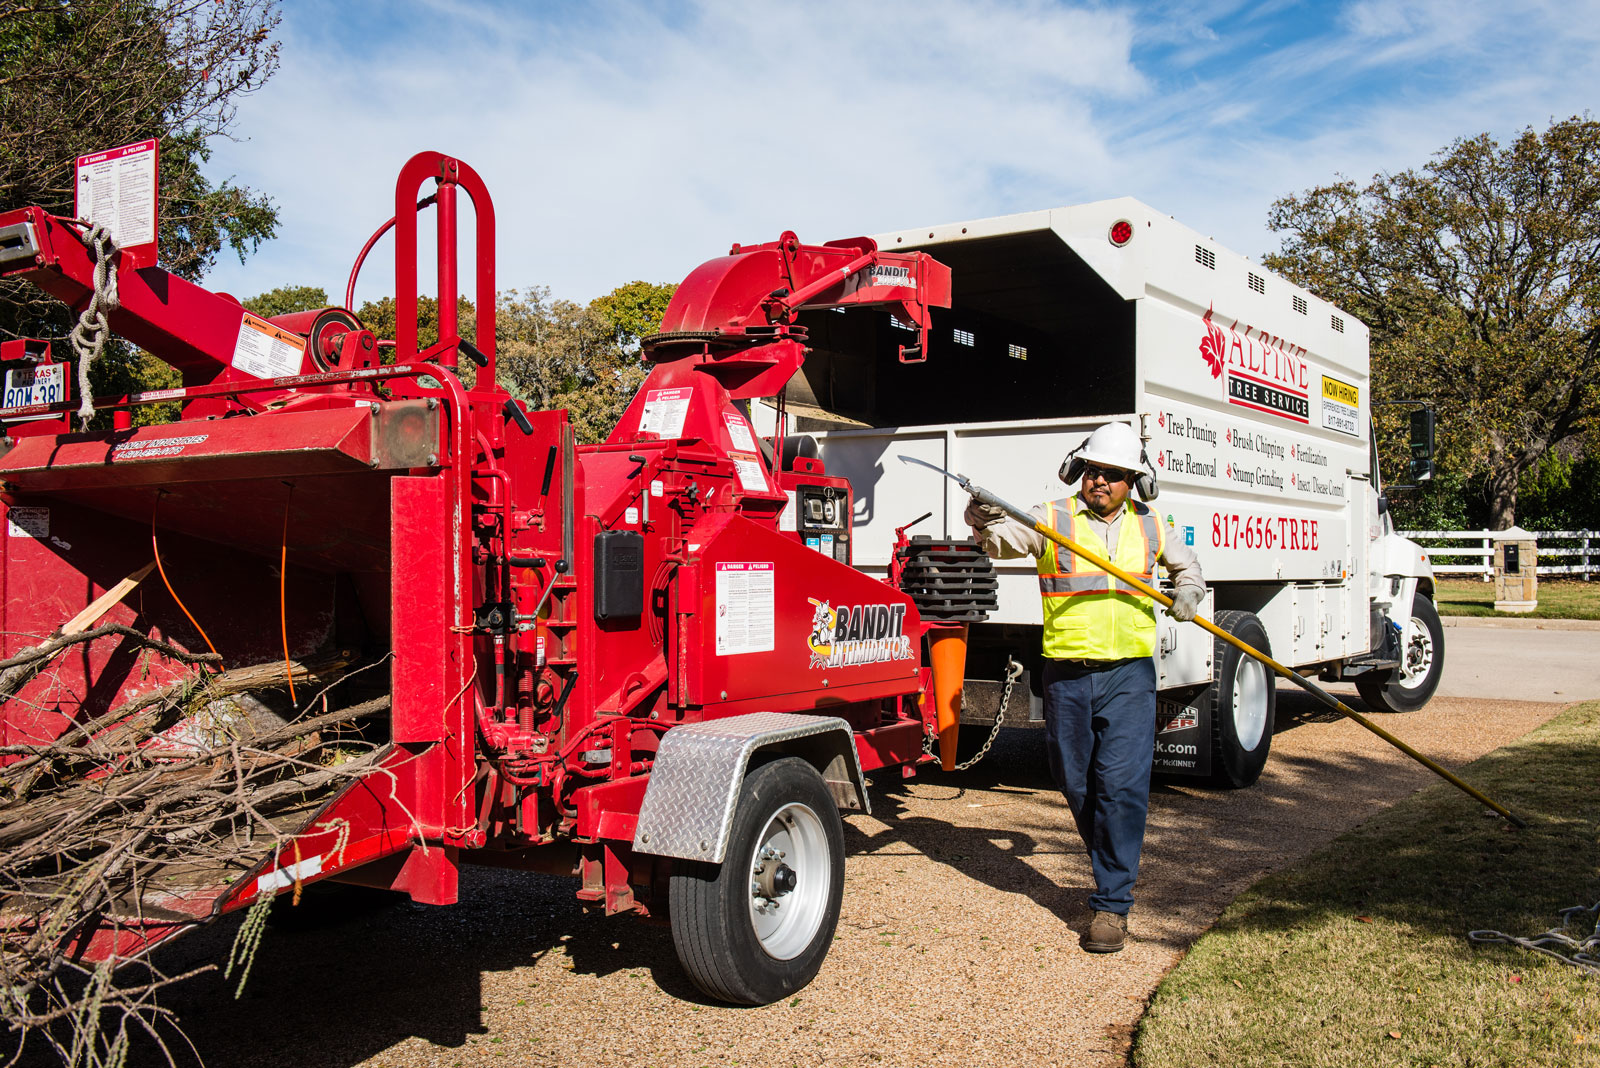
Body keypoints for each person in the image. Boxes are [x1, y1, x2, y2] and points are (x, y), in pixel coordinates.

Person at [964, 421, 1204, 954]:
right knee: (1076, 784)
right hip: (1068, 675)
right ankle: (1112, 862)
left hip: (1129, 676)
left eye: (1114, 475)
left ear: (1133, 482)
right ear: (1081, 470)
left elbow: (1190, 569)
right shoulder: (1051, 519)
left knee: (1121, 788)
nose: (1101, 482)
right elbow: (1001, 542)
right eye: (1095, 471)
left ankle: (1112, 904)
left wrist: (1189, 591)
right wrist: (980, 520)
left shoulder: (1152, 525)